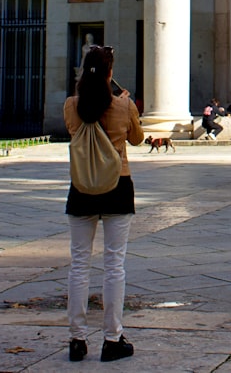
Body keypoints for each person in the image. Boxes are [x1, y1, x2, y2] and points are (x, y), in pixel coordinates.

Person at [62, 45, 144, 363]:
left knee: (79, 265)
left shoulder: (71, 105)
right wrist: (127, 105)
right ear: (110, 73)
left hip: (81, 187)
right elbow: (136, 139)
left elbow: (77, 127)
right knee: (114, 265)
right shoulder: (123, 105)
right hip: (117, 185)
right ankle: (112, 338)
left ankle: (76, 339)